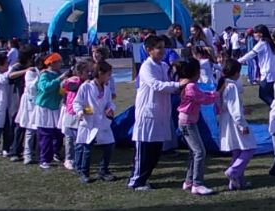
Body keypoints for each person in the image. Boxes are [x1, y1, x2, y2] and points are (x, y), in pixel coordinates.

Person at [127, 35, 189, 191]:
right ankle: (136, 181)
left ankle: (144, 178)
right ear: (149, 50)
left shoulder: (163, 66)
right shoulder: (146, 67)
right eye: (158, 47)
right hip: (147, 114)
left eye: (163, 47)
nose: (162, 51)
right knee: (144, 151)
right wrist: (178, 84)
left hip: (161, 114)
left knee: (155, 152)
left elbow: (171, 80)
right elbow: (156, 85)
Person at [175, 58, 222, 195]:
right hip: (187, 123)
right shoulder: (190, 87)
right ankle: (197, 183)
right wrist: (216, 94)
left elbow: (202, 95)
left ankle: (189, 181)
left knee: (193, 152)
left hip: (189, 122)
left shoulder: (190, 85)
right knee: (200, 152)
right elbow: (203, 99)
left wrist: (213, 94)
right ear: (196, 73)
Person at [73, 61, 116, 183]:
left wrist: (110, 108)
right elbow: (77, 103)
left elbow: (109, 102)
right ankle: (84, 172)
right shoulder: (86, 87)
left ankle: (103, 170)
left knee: (109, 145)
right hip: (89, 121)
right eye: (108, 74)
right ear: (100, 73)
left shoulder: (106, 89)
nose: (109, 77)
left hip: (103, 122)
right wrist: (81, 112)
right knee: (87, 148)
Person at [218, 59, 256, 190]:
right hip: (234, 122)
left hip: (227, 120)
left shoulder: (223, 85)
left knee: (237, 150)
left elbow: (226, 106)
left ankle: (237, 181)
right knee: (249, 148)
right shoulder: (232, 86)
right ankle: (233, 171)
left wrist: (243, 110)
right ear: (235, 73)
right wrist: (242, 125)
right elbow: (234, 110)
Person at [35, 53, 69, 169]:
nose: (60, 64)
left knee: (58, 133)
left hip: (56, 107)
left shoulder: (59, 74)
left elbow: (61, 90)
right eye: (58, 61)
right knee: (45, 134)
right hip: (45, 108)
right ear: (51, 63)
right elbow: (45, 88)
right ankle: (44, 159)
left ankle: (55, 152)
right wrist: (59, 79)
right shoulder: (44, 75)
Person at [58, 59, 92, 170]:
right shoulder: (75, 80)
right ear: (80, 72)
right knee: (69, 138)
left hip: (82, 112)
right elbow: (66, 87)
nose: (89, 74)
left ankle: (79, 158)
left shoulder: (87, 83)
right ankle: (69, 159)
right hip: (71, 112)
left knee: (79, 137)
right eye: (87, 71)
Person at [8, 45, 37, 161]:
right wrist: (25, 71)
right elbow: (10, 75)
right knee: (20, 124)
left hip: (31, 98)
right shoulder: (18, 66)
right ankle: (15, 150)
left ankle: (30, 149)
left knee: (31, 124)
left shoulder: (33, 66)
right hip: (19, 97)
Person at [238, 24, 275, 106]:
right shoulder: (269, 42)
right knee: (271, 94)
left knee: (263, 94)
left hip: (267, 73)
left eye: (255, 32)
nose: (254, 34)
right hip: (273, 72)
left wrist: (238, 61)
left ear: (261, 34)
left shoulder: (262, 43)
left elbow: (251, 54)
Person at [15, 54, 45, 165]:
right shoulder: (31, 72)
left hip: (39, 103)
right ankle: (27, 155)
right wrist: (40, 76)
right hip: (29, 103)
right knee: (30, 130)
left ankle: (37, 154)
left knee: (39, 130)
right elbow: (31, 87)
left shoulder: (43, 73)